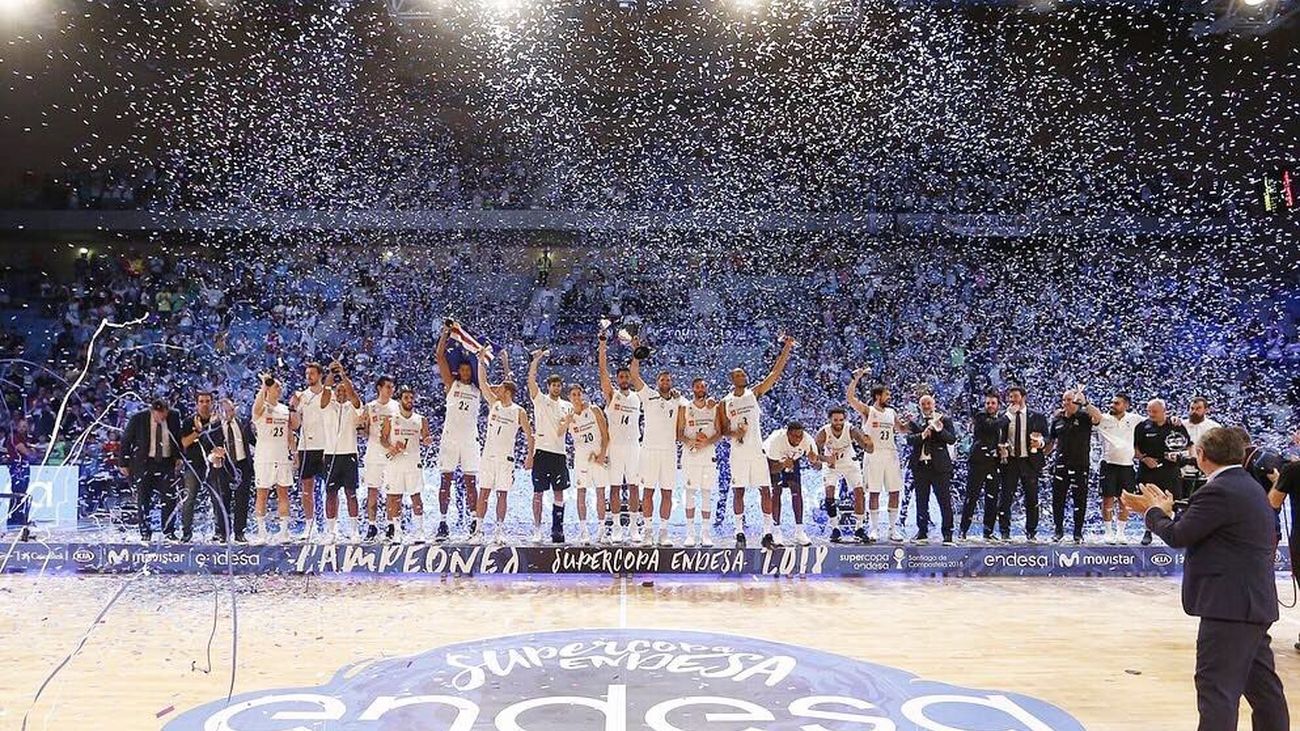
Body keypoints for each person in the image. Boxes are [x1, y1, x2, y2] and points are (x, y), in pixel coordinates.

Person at [1123, 427, 1288, 731]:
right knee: (1263, 691)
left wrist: (1153, 512)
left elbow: (1178, 535)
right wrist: (1168, 510)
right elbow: (1207, 525)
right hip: (1251, 605)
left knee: (1217, 691)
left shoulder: (1219, 489)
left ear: (1201, 455)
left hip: (1229, 608)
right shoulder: (1245, 485)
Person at [720, 334, 796, 549]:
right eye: (739, 374)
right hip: (738, 453)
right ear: (732, 379)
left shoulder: (754, 394)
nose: (744, 376)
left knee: (765, 490)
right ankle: (739, 533)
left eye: (744, 373)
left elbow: (775, 373)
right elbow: (723, 430)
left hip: (756, 451)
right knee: (739, 492)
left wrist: (787, 348)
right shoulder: (725, 402)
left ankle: (767, 534)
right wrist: (736, 432)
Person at [474, 347, 533, 545]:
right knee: (483, 492)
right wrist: (481, 362)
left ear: (507, 392)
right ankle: (479, 529)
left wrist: (529, 455)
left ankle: (499, 531)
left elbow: (529, 435)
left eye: (499, 388)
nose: (495, 389)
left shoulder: (519, 411)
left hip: (506, 458)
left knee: (502, 494)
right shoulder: (494, 404)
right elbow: (482, 383)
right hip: (488, 456)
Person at [629, 338, 684, 546]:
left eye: (668, 380)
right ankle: (648, 531)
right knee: (648, 492)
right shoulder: (648, 395)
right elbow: (634, 375)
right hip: (649, 451)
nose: (665, 383)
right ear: (657, 383)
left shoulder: (678, 399)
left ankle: (664, 533)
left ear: (672, 383)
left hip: (669, 452)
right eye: (662, 380)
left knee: (667, 492)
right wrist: (636, 353)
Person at [435, 325, 483, 543]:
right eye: (462, 370)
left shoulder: (478, 389)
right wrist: (446, 333)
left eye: (468, 370)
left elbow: (485, 370)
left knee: (471, 482)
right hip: (450, 438)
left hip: (470, 440)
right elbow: (439, 356)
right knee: (446, 481)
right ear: (458, 371)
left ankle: (474, 520)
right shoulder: (451, 385)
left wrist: (486, 356)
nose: (465, 373)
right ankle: (443, 521)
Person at [846, 374, 906, 542]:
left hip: (891, 454)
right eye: (887, 394)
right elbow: (850, 398)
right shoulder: (868, 411)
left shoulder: (891, 412)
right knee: (874, 492)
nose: (890, 397)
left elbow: (901, 429)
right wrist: (856, 378)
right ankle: (873, 528)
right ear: (878, 396)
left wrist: (910, 424)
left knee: (894, 492)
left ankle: (893, 529)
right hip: (874, 454)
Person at [597, 332, 641, 543]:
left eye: (626, 377)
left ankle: (633, 527)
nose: (624, 379)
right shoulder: (611, 395)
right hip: (615, 448)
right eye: (621, 377)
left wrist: (635, 349)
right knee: (614, 488)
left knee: (634, 487)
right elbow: (602, 370)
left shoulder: (637, 396)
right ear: (617, 380)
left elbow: (636, 368)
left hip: (634, 447)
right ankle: (615, 526)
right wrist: (602, 345)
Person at [121, 398, 184, 541]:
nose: (160, 417)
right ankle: (145, 531)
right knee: (144, 498)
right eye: (157, 414)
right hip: (144, 463)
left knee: (169, 497)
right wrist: (123, 463)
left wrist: (178, 456)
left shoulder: (174, 416)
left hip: (166, 463)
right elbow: (126, 440)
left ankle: (169, 530)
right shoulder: (139, 418)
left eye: (163, 414)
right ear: (152, 411)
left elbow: (177, 437)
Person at [528, 349, 573, 543]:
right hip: (542, 452)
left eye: (558, 385)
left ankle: (557, 528)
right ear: (548, 386)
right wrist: (536, 361)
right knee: (538, 492)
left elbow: (565, 431)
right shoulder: (540, 400)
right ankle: (537, 529)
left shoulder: (567, 406)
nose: (556, 388)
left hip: (559, 454)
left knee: (559, 492)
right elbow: (530, 381)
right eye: (553, 385)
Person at [1133, 398, 1190, 546]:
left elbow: (1188, 446)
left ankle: (1175, 532)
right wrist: (1144, 459)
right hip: (1148, 470)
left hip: (1170, 470)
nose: (1151, 414)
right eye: (1149, 411)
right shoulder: (1142, 427)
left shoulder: (1175, 425)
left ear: (1164, 411)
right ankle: (1148, 531)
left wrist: (1179, 457)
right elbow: (1135, 449)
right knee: (1149, 501)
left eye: (1155, 412)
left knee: (1173, 501)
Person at [1048, 388, 1102, 543]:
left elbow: (1098, 418)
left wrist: (1085, 403)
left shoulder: (1084, 417)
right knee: (1058, 499)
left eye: (1069, 400)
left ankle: (1078, 532)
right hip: (1061, 465)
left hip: (1080, 465)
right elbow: (1050, 442)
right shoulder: (1057, 420)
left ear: (1076, 402)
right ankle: (1058, 530)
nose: (1066, 403)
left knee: (1080, 500)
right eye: (1064, 400)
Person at [995, 386, 1049, 542]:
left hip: (1029, 461)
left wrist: (1041, 443)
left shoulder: (1037, 416)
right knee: (1006, 497)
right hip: (1010, 461)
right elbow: (997, 433)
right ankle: (1004, 532)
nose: (1012, 400)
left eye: (1015, 396)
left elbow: (1047, 436)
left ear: (1023, 397)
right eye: (1010, 397)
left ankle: (1031, 532)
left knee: (1032, 498)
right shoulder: (1005, 416)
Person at [380, 385, 432, 544]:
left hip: (413, 463)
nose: (409, 401)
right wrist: (391, 447)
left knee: (416, 497)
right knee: (395, 498)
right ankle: (397, 532)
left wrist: (427, 441)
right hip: (395, 463)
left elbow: (426, 439)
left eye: (411, 398)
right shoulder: (391, 419)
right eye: (406, 398)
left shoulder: (421, 420)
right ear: (400, 400)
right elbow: (382, 438)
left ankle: (419, 532)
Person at [560, 384, 611, 545]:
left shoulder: (594, 410)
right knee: (581, 493)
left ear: (582, 395)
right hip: (581, 458)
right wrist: (566, 421)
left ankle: (602, 530)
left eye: (578, 394)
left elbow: (605, 434)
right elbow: (559, 433)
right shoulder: (568, 416)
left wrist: (603, 454)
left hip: (597, 455)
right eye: (573, 395)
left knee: (600, 493)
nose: (576, 397)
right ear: (569, 398)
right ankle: (584, 531)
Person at [901, 395, 956, 545]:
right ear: (920, 406)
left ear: (934, 404)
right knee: (921, 500)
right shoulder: (914, 422)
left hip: (940, 467)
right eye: (923, 404)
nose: (926, 406)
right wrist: (922, 435)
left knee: (944, 500)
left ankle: (947, 533)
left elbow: (951, 439)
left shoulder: (944, 419)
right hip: (920, 467)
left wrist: (939, 430)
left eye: (928, 403)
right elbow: (909, 440)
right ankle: (922, 532)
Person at [815, 407, 874, 543]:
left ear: (845, 419)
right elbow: (815, 456)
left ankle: (859, 528)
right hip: (831, 464)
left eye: (841, 420)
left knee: (859, 492)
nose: (838, 423)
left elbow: (866, 446)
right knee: (829, 493)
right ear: (830, 420)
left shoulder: (851, 429)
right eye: (835, 420)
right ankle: (835, 528)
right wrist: (825, 459)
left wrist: (868, 444)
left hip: (849, 462)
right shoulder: (823, 433)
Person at [678, 378, 724, 547]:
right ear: (692, 389)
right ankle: (690, 533)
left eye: (703, 386)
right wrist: (691, 441)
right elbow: (679, 433)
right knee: (690, 492)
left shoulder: (714, 407)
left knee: (706, 493)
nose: (700, 389)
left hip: (708, 454)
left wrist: (707, 441)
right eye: (697, 386)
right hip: (690, 455)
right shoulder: (685, 407)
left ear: (706, 389)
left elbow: (720, 432)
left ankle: (705, 533)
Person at [321, 361, 362, 544]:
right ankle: (331, 531)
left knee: (351, 493)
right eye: (338, 390)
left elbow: (355, 398)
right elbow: (325, 392)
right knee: (330, 493)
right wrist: (331, 373)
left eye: (343, 390)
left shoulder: (352, 408)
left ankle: (354, 530)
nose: (341, 393)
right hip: (331, 455)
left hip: (349, 454)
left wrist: (344, 375)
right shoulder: (327, 405)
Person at [251, 378, 295, 544]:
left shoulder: (284, 409)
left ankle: (284, 532)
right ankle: (262, 533)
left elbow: (289, 432)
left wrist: (294, 452)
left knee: (283, 493)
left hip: (282, 457)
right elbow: (256, 408)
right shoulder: (262, 408)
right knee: (262, 494)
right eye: (276, 386)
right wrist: (264, 386)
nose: (279, 389)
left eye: (280, 386)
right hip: (264, 458)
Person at [959, 391, 1008, 542]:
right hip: (978, 462)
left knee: (992, 498)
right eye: (988, 403)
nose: (990, 406)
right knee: (971, 497)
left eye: (993, 403)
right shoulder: (980, 416)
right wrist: (1007, 416)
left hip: (994, 463)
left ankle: (988, 531)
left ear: (998, 405)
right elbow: (991, 427)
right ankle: (963, 530)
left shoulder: (1001, 420)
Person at [763, 421, 820, 546]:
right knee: (776, 491)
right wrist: (783, 464)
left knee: (796, 490)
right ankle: (776, 531)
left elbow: (818, 466)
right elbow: (772, 468)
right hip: (772, 461)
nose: (798, 439)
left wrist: (814, 460)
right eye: (794, 436)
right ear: (788, 434)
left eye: (800, 436)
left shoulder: (808, 441)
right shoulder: (776, 441)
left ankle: (799, 531)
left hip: (792, 460)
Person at [1095, 393, 1143, 544]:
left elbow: (1153, 422)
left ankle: (1121, 532)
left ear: (1126, 405)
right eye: (1112, 402)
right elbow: (1091, 414)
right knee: (1107, 498)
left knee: (1125, 500)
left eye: (1117, 403)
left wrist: (1174, 420)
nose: (1112, 405)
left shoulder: (1135, 419)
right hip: (1108, 464)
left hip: (1127, 465)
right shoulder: (1103, 419)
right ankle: (1108, 532)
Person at [290, 362, 328, 541]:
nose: (309, 377)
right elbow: (296, 425)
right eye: (307, 374)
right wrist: (293, 408)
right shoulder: (301, 396)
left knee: (331, 489)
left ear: (320, 375)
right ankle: (309, 525)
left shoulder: (330, 395)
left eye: (312, 374)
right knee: (307, 489)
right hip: (306, 447)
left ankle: (329, 525)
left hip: (326, 446)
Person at [207, 397, 253, 543]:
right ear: (220, 412)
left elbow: (253, 441)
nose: (229, 413)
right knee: (222, 500)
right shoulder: (214, 427)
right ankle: (222, 532)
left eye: (232, 410)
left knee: (242, 501)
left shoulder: (243, 423)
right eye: (226, 411)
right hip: (222, 467)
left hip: (242, 465)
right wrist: (214, 453)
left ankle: (240, 532)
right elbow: (206, 446)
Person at [359, 376, 398, 544]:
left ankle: (391, 525)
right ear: (379, 388)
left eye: (392, 387)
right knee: (372, 491)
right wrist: (361, 426)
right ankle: (372, 525)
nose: (391, 390)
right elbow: (364, 431)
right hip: (374, 454)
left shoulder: (397, 406)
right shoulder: (370, 407)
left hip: (391, 455)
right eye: (388, 386)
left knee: (392, 492)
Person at [178, 389, 217, 542]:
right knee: (189, 500)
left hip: (214, 465)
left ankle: (220, 532)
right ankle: (186, 533)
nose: (205, 404)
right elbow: (184, 443)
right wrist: (198, 431)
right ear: (196, 404)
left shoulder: (218, 420)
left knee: (216, 498)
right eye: (201, 401)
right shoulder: (189, 422)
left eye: (207, 401)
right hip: (193, 465)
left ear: (212, 403)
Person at [1176, 396, 1222, 500]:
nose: (1194, 412)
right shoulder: (1180, 425)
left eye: (1198, 409)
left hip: (1204, 471)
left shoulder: (1214, 427)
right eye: (1192, 408)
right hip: (1181, 470)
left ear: (1206, 410)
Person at [4, 418, 37, 538]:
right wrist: (33, 452)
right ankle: (15, 518)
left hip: (23, 466)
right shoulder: (15, 437)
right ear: (17, 427)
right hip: (18, 467)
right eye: (22, 426)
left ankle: (20, 517)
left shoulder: (25, 438)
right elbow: (26, 452)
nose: (24, 429)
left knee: (22, 492)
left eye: (25, 426)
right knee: (18, 492)